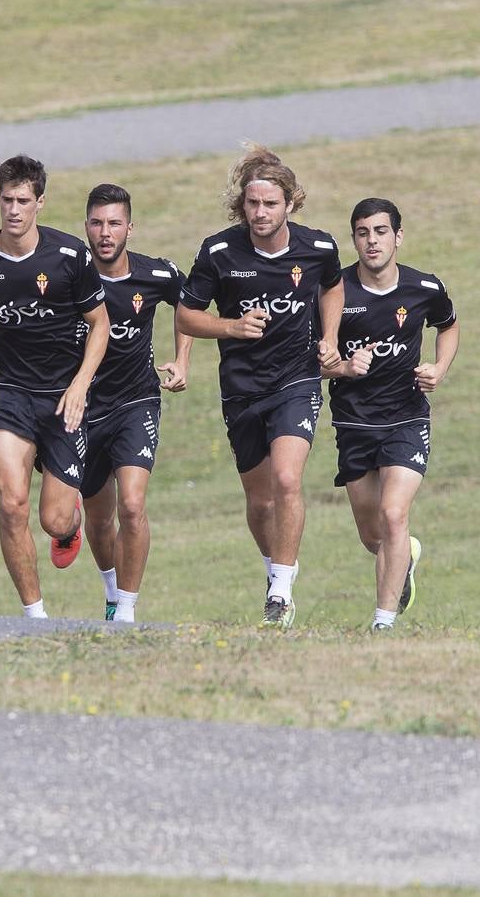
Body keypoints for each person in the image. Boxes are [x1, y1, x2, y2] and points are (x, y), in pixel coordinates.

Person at [177, 144, 344, 629]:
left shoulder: (318, 248)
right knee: (259, 501)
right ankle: (278, 569)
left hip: (296, 381)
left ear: (290, 204)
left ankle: (280, 590)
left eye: (271, 204)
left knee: (288, 480)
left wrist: (330, 337)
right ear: (241, 204)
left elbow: (332, 286)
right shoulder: (218, 251)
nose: (260, 213)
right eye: (253, 203)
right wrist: (230, 328)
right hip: (241, 388)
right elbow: (187, 315)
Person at [0, 155, 109, 619]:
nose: (14, 209)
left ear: (40, 202)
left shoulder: (69, 257)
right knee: (11, 502)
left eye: (24, 200)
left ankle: (68, 525)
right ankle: (34, 617)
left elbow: (100, 325)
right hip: (12, 395)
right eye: (7, 199)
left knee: (52, 519)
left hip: (64, 397)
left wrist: (82, 385)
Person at [322, 197, 459, 631]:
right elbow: (311, 356)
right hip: (353, 423)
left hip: (406, 419)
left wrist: (438, 368)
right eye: (363, 233)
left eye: (381, 231)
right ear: (354, 239)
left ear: (398, 236)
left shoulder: (424, 288)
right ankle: (406, 558)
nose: (372, 241)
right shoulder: (334, 292)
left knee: (394, 515)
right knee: (373, 535)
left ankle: (384, 623)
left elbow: (449, 325)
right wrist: (343, 367)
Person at [79, 184, 193, 624]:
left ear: (130, 227)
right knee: (98, 516)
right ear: (86, 226)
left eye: (114, 223)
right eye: (96, 223)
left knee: (131, 505)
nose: (105, 233)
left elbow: (189, 304)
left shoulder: (155, 274)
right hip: (82, 409)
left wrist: (182, 359)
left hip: (136, 401)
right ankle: (110, 587)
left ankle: (125, 609)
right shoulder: (71, 274)